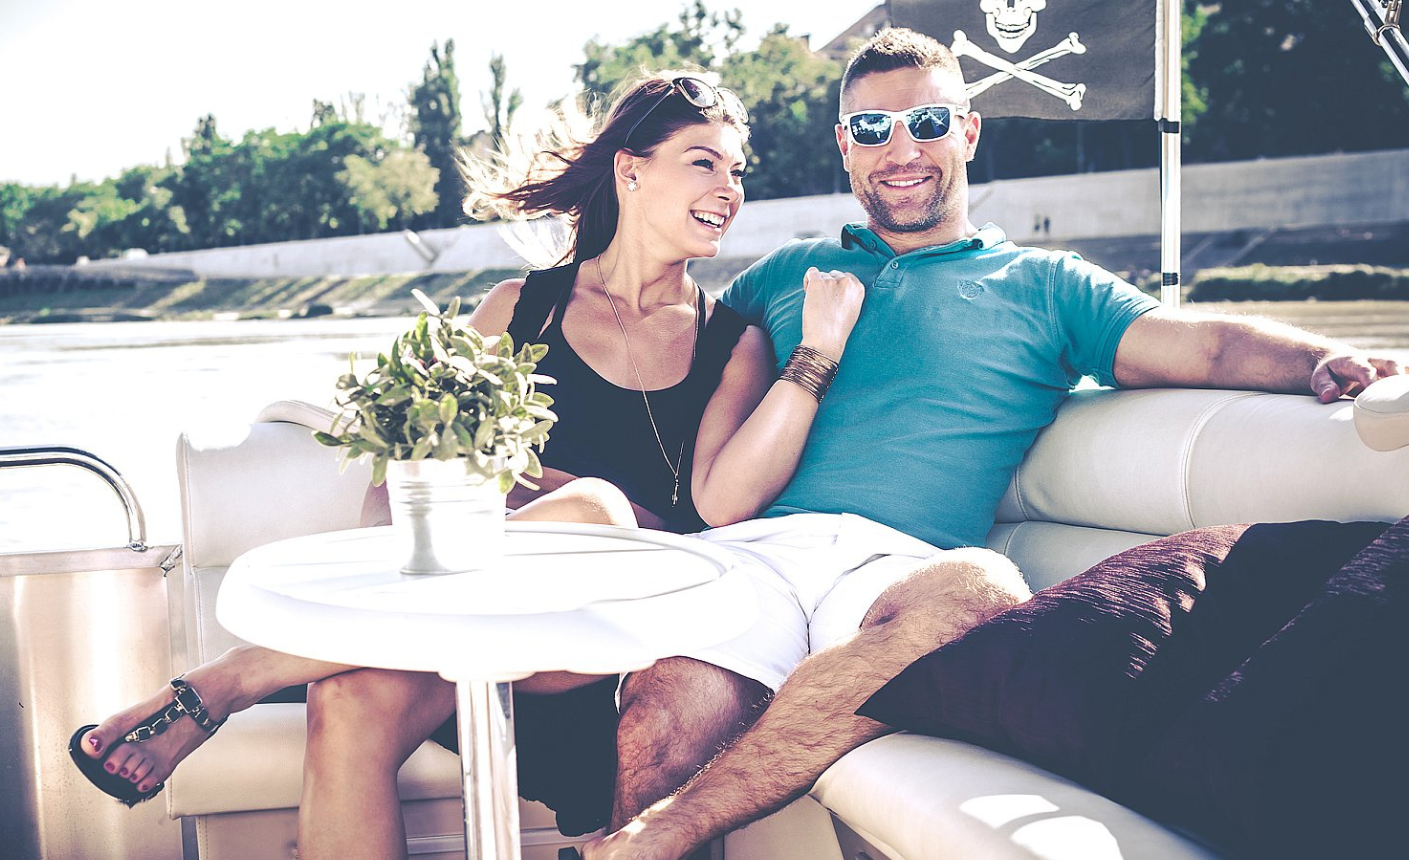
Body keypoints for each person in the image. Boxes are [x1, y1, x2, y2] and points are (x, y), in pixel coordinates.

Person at [578, 29, 1409, 860]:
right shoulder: (781, 277)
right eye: (871, 129)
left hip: (898, 567)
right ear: (844, 146)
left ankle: (661, 835)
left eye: (927, 122)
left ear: (969, 131)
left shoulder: (1047, 286)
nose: (901, 150)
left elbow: (1207, 348)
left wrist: (1318, 359)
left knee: (980, 592)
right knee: (662, 714)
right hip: (758, 550)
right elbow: (666, 377)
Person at [69, 70, 865, 839]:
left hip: (599, 643)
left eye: (737, 171)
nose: (730, 188)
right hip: (457, 616)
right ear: (630, 171)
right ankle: (256, 677)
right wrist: (471, 523)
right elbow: (400, 481)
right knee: (345, 704)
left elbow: (718, 509)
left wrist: (815, 355)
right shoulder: (520, 310)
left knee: (596, 508)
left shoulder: (733, 344)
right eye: (704, 163)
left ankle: (235, 678)